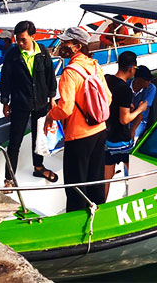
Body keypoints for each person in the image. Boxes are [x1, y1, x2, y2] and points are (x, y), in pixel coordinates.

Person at [43, 27, 112, 212]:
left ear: (77, 46)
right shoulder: (95, 66)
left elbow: (65, 108)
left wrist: (51, 115)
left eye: (66, 42)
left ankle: (75, 222)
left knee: (75, 184)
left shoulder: (70, 72)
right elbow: (108, 97)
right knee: (96, 177)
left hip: (78, 135)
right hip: (99, 129)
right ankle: (98, 213)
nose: (62, 46)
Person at [0, 21, 58, 187]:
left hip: (40, 102)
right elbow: (5, 80)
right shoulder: (12, 55)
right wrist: (5, 102)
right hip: (20, 103)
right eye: (17, 39)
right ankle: (9, 178)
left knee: (39, 137)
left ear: (33, 37)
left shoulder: (42, 53)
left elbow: (50, 76)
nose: (20, 43)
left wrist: (52, 98)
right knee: (14, 141)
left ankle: (38, 167)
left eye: (23, 39)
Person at [104, 52, 148, 198]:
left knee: (106, 178)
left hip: (106, 137)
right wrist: (140, 109)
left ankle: (100, 205)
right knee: (133, 172)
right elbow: (125, 119)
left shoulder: (107, 79)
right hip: (121, 140)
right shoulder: (125, 90)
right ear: (131, 68)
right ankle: (136, 198)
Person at [128, 65, 157, 140]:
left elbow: (142, 112)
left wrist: (133, 130)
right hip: (125, 118)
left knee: (132, 139)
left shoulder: (151, 88)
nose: (149, 82)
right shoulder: (126, 85)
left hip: (140, 121)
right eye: (147, 80)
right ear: (138, 80)